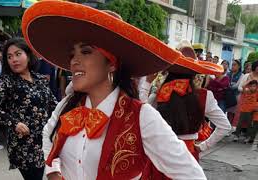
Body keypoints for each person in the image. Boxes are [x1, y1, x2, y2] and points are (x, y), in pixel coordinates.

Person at [22, 1, 206, 179]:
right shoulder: (68, 105)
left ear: (111, 63)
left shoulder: (141, 116)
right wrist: (53, 172)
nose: (73, 61)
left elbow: (191, 174)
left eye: (85, 52)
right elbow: (47, 134)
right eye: (72, 55)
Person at [144, 41, 231, 161]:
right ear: (195, 72)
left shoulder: (159, 94)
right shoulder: (205, 96)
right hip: (189, 156)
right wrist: (202, 147)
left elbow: (139, 117)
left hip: (161, 154)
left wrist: (147, 83)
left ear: (169, 70)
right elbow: (225, 126)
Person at [0, 38, 57, 180]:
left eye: (18, 54)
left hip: (44, 138)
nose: (14, 60)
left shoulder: (40, 79)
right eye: (9, 56)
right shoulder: (6, 81)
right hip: (23, 144)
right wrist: (14, 123)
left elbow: (53, 105)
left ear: (28, 55)